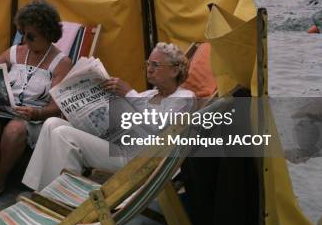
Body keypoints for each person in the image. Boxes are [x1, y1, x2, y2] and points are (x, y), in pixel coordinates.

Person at [22, 42, 196, 191]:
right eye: (148, 64)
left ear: (174, 71)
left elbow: (160, 127)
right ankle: (38, 189)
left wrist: (128, 93)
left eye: (155, 65)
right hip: (117, 145)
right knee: (52, 123)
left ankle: (61, 197)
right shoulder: (148, 95)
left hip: (140, 160)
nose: (149, 70)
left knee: (64, 136)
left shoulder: (185, 98)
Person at [0, 0, 72, 199]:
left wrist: (37, 112)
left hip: (34, 116)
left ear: (47, 34)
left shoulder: (62, 63)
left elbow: (56, 108)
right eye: (23, 33)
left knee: (15, 130)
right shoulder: (15, 52)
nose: (25, 40)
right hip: (4, 108)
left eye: (31, 36)